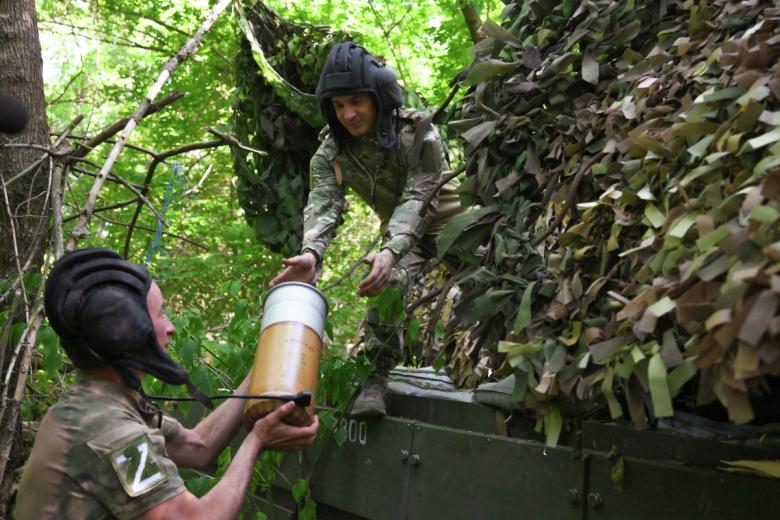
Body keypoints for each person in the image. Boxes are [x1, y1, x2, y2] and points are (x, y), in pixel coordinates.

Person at [16, 248, 319, 519]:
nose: (170, 328)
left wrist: (273, 353)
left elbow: (198, 446)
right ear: (129, 332)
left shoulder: (101, 401)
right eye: (160, 315)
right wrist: (257, 441)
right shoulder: (109, 431)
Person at [270, 42, 463, 418]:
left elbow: (419, 199)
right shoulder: (331, 152)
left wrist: (390, 250)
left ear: (378, 96)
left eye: (356, 101)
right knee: (388, 288)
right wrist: (312, 254)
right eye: (339, 105)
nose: (349, 114)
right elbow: (323, 204)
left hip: (462, 225)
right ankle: (375, 381)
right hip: (408, 241)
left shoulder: (417, 132)